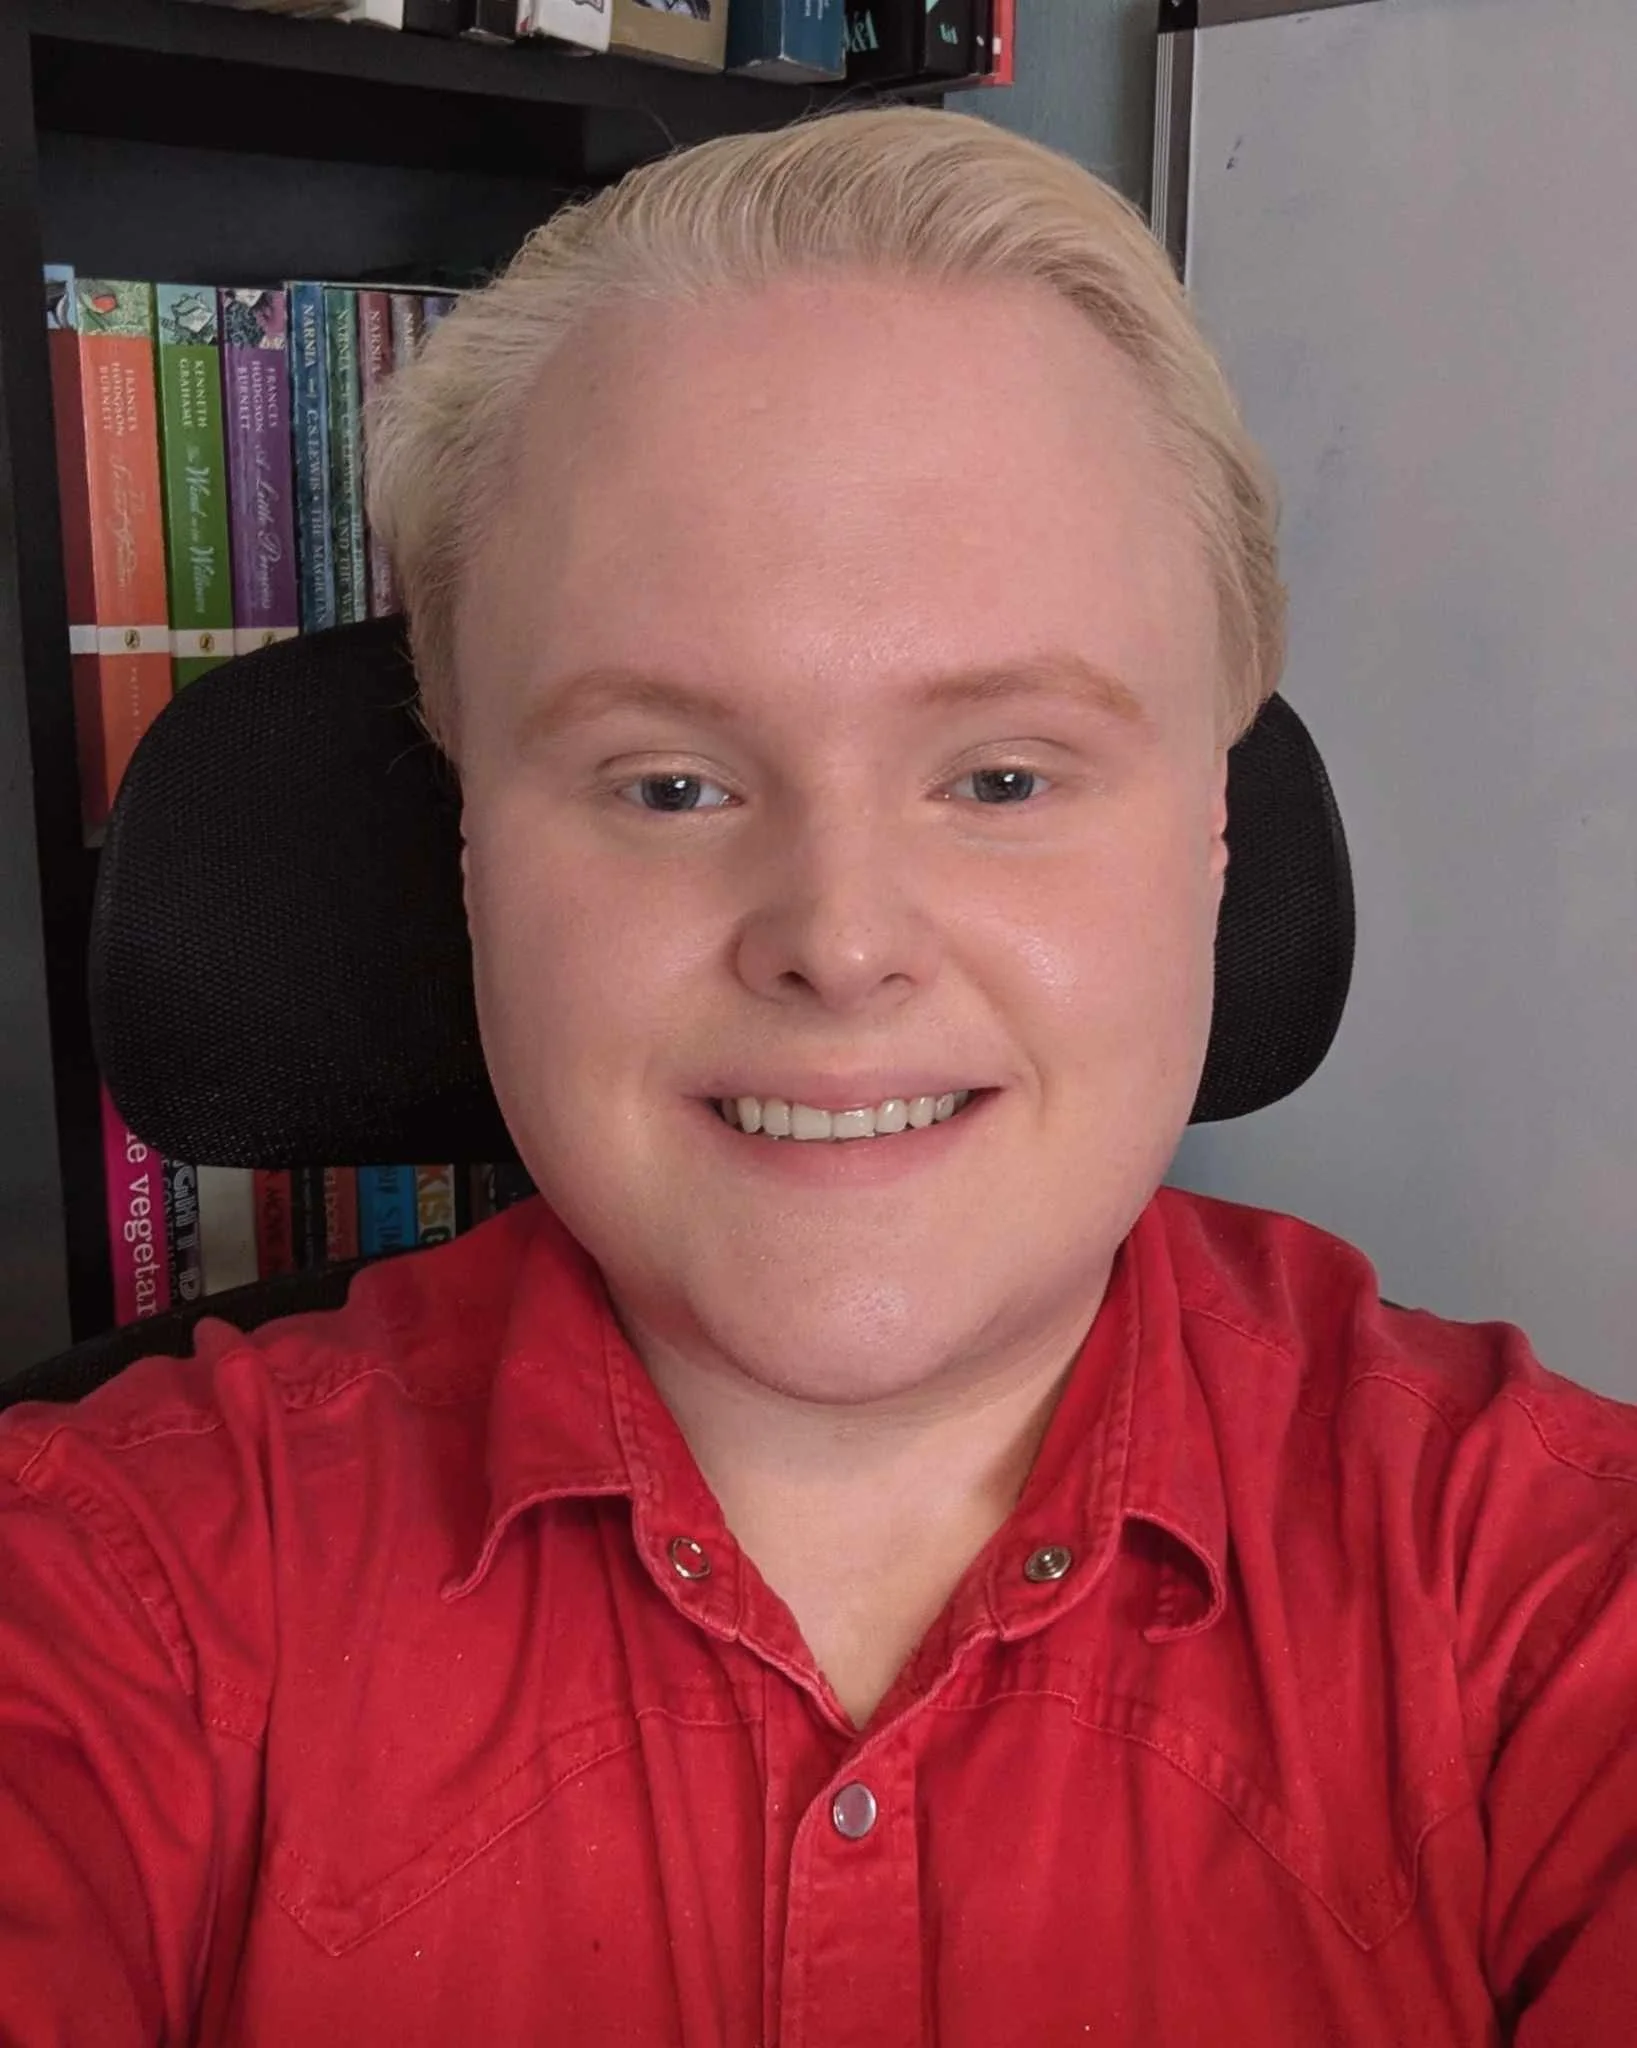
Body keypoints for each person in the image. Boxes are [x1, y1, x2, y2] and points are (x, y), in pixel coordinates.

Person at [2, 107, 1633, 2046]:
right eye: (671, 782)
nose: (838, 937)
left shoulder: (1548, 1606)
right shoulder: (106, 1588)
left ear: (1212, 827)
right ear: (467, 850)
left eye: (1002, 777)